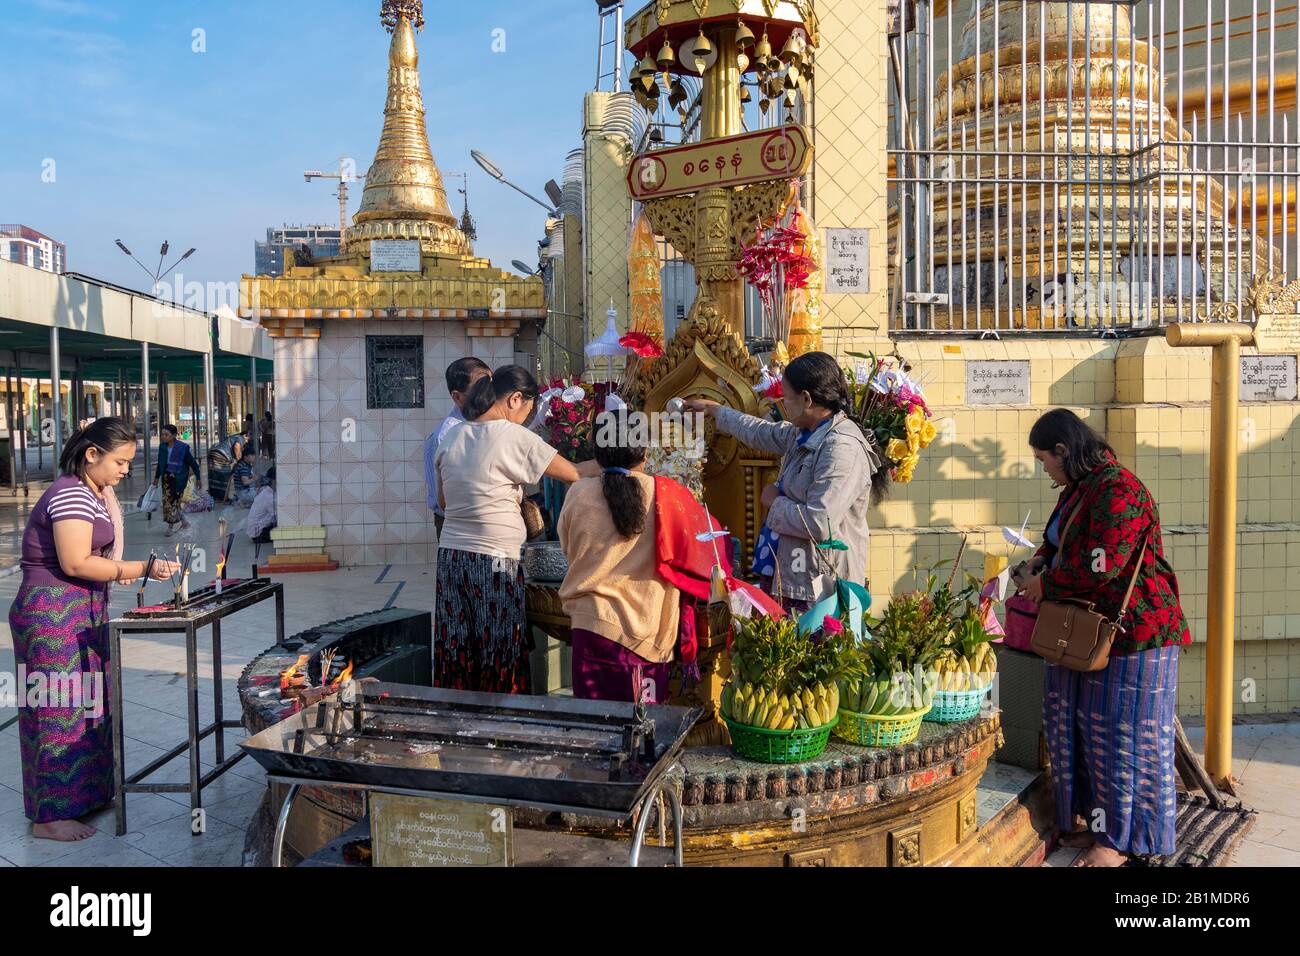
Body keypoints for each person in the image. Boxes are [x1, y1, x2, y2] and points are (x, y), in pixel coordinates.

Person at [1016, 408, 1191, 867]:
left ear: (1063, 451)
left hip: (1135, 633)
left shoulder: (1119, 489)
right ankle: (1095, 825)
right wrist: (1037, 562)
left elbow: (1103, 564)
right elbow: (1059, 542)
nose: (1043, 469)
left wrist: (1045, 585)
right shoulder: (1079, 488)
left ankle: (1119, 842)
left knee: (1123, 736)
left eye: (1043, 459)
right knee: (1080, 730)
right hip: (1085, 629)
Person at [9, 417, 176, 841]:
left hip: (83, 611)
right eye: (120, 462)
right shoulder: (68, 494)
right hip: (52, 614)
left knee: (90, 705)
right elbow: (76, 562)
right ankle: (50, 815)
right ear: (91, 455)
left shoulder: (94, 494)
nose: (125, 470)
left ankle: (88, 794)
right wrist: (142, 568)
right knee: (57, 710)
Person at [685, 351, 882, 612]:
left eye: (786, 397)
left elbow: (820, 522)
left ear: (806, 399)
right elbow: (761, 433)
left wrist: (775, 502)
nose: (782, 403)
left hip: (819, 585)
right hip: (793, 575)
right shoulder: (805, 433)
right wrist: (717, 412)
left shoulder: (840, 448)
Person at [433, 365, 583, 693]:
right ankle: (502, 724)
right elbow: (572, 474)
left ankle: (454, 717)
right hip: (496, 559)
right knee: (499, 645)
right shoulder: (512, 435)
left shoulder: (454, 435)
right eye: (528, 411)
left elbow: (444, 503)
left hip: (451, 558)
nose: (527, 420)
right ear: (515, 399)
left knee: (457, 645)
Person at [558, 412, 679, 703]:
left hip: (592, 623)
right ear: (646, 451)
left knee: (594, 729)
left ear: (597, 453)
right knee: (644, 731)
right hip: (648, 631)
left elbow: (567, 547)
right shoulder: (666, 494)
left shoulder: (579, 493)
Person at [425, 357, 491, 539]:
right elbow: (447, 500)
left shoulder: (487, 425)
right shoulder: (447, 435)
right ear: (457, 396)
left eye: (490, 384)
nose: (489, 392)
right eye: (481, 387)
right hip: (457, 525)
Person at [152, 424, 201, 536]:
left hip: (179, 479)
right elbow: (160, 464)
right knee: (171, 503)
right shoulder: (162, 447)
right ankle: (184, 522)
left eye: (166, 434)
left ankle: (170, 527)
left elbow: (193, 464)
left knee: (173, 503)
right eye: (163, 434)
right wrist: (156, 478)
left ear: (174, 435)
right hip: (166, 479)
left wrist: (198, 478)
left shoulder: (182, 448)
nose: (164, 437)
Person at [247, 466, 277, 542]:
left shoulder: (268, 490)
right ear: (274, 481)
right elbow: (278, 516)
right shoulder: (268, 497)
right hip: (258, 534)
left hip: (257, 529)